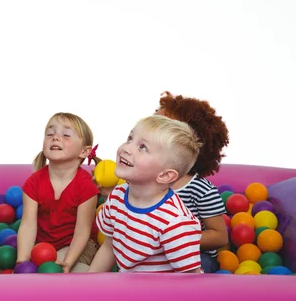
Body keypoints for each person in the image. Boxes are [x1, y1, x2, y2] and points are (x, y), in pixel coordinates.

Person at [89, 115, 203, 273]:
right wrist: (90, 285)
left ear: (165, 175)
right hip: (127, 287)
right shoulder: (117, 196)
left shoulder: (173, 222)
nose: (126, 148)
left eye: (142, 147)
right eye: (130, 138)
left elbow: (191, 277)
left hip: (161, 295)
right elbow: (109, 247)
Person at [155, 91, 229, 273]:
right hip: (152, 253)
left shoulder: (200, 189)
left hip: (194, 254)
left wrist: (177, 239)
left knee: (200, 265)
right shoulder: (145, 180)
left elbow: (220, 236)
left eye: (159, 128)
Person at [16, 112, 100, 273]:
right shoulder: (33, 182)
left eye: (66, 134)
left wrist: (67, 263)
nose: (55, 137)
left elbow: (83, 230)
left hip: (78, 245)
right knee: (24, 270)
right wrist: (22, 261)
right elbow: (28, 225)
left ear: (84, 151)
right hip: (44, 245)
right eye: (50, 133)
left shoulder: (86, 185)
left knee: (57, 271)